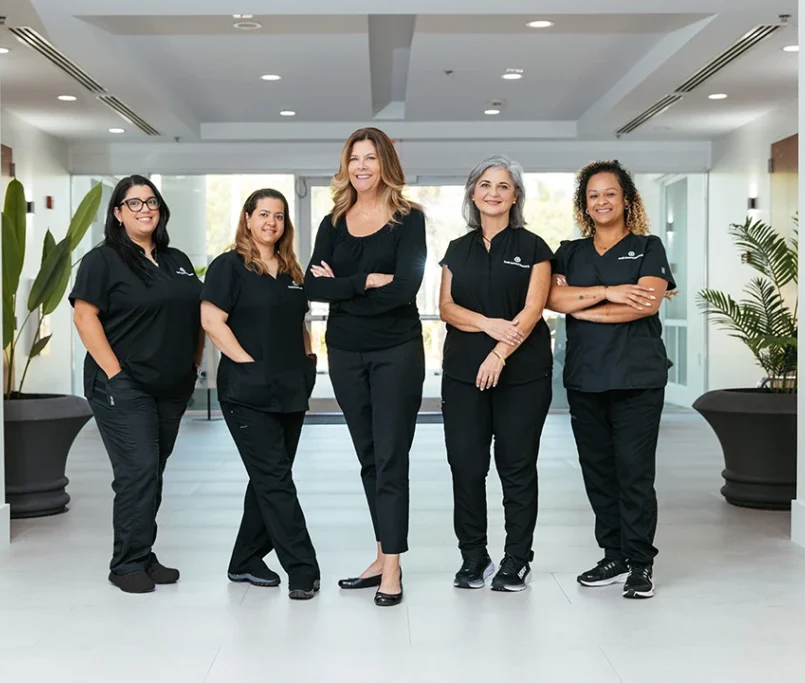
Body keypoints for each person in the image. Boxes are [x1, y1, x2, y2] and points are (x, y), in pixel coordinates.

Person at [303, 127, 427, 607]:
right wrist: (364, 283)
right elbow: (313, 287)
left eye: (370, 158)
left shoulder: (408, 219)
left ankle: (392, 568)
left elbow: (405, 289)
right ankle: (381, 554)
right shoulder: (334, 222)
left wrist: (346, 288)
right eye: (354, 158)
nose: (361, 167)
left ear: (385, 166)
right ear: (346, 165)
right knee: (369, 458)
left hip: (397, 350)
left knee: (392, 458)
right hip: (346, 354)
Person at [546, 160, 676, 600]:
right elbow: (551, 297)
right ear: (585, 205)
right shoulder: (569, 252)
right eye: (593, 195)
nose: (602, 202)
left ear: (627, 200)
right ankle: (613, 554)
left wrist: (584, 309)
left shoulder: (647, 246)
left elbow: (648, 304)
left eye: (610, 194)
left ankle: (640, 562)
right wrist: (609, 292)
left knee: (634, 472)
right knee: (598, 472)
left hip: (637, 378)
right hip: (585, 378)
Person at [70, 175, 203, 594]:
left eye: (151, 202)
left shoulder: (176, 259)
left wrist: (193, 363)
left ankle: (143, 554)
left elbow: (196, 313)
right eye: (134, 203)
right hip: (124, 385)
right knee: (138, 471)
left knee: (153, 472)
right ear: (117, 213)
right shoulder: (103, 260)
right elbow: (84, 317)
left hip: (172, 385)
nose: (145, 209)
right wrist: (114, 372)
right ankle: (125, 563)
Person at [438, 155, 553, 592]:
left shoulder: (535, 247)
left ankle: (516, 559)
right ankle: (474, 556)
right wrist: (486, 323)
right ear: (473, 193)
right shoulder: (457, 249)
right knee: (466, 466)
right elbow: (446, 308)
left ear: (515, 196)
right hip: (463, 374)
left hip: (522, 374)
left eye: (503, 186)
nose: (493, 192)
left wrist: (499, 354)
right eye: (485, 185)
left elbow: (531, 310)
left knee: (516, 466)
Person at [200, 188, 322, 600]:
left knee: (269, 477)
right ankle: (302, 568)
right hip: (248, 392)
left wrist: (309, 360)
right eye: (264, 214)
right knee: (275, 478)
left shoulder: (291, 271)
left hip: (291, 388)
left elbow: (298, 322)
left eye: (280, 216)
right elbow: (212, 321)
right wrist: (247, 364)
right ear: (247, 218)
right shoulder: (228, 267)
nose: (272, 222)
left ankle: (244, 560)